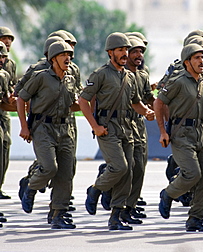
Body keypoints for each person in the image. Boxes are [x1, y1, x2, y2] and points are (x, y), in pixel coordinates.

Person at [79, 32, 154, 231]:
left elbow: (136, 102)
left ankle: (116, 216)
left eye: (126, 50)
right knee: (119, 167)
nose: (124, 53)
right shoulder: (100, 74)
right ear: (110, 52)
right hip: (107, 127)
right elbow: (83, 100)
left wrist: (146, 112)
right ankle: (96, 189)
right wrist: (95, 126)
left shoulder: (129, 76)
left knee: (128, 173)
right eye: (120, 50)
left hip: (127, 127)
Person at [17, 41, 79, 229]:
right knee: (49, 167)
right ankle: (31, 187)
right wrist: (24, 126)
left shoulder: (70, 79)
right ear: (53, 59)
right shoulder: (40, 77)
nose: (67, 58)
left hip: (65, 128)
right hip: (43, 128)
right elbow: (21, 98)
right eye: (63, 55)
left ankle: (58, 214)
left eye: (69, 55)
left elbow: (74, 104)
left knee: (66, 173)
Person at [154, 44, 203, 232]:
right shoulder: (178, 81)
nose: (201, 61)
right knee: (192, 173)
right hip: (182, 134)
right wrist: (163, 131)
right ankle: (168, 194)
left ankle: (195, 219)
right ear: (187, 62)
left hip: (202, 133)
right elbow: (159, 102)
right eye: (197, 58)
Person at [124, 36, 155, 223]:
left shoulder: (142, 74)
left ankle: (130, 206)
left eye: (141, 51)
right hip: (121, 124)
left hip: (138, 124)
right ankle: (100, 190)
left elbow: (147, 98)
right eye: (134, 51)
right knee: (125, 168)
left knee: (139, 168)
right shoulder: (118, 73)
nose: (139, 55)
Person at [0, 27, 16, 199]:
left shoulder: (10, 64)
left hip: (4, 112)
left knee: (5, 147)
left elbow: (12, 86)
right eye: (4, 38)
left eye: (9, 39)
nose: (7, 42)